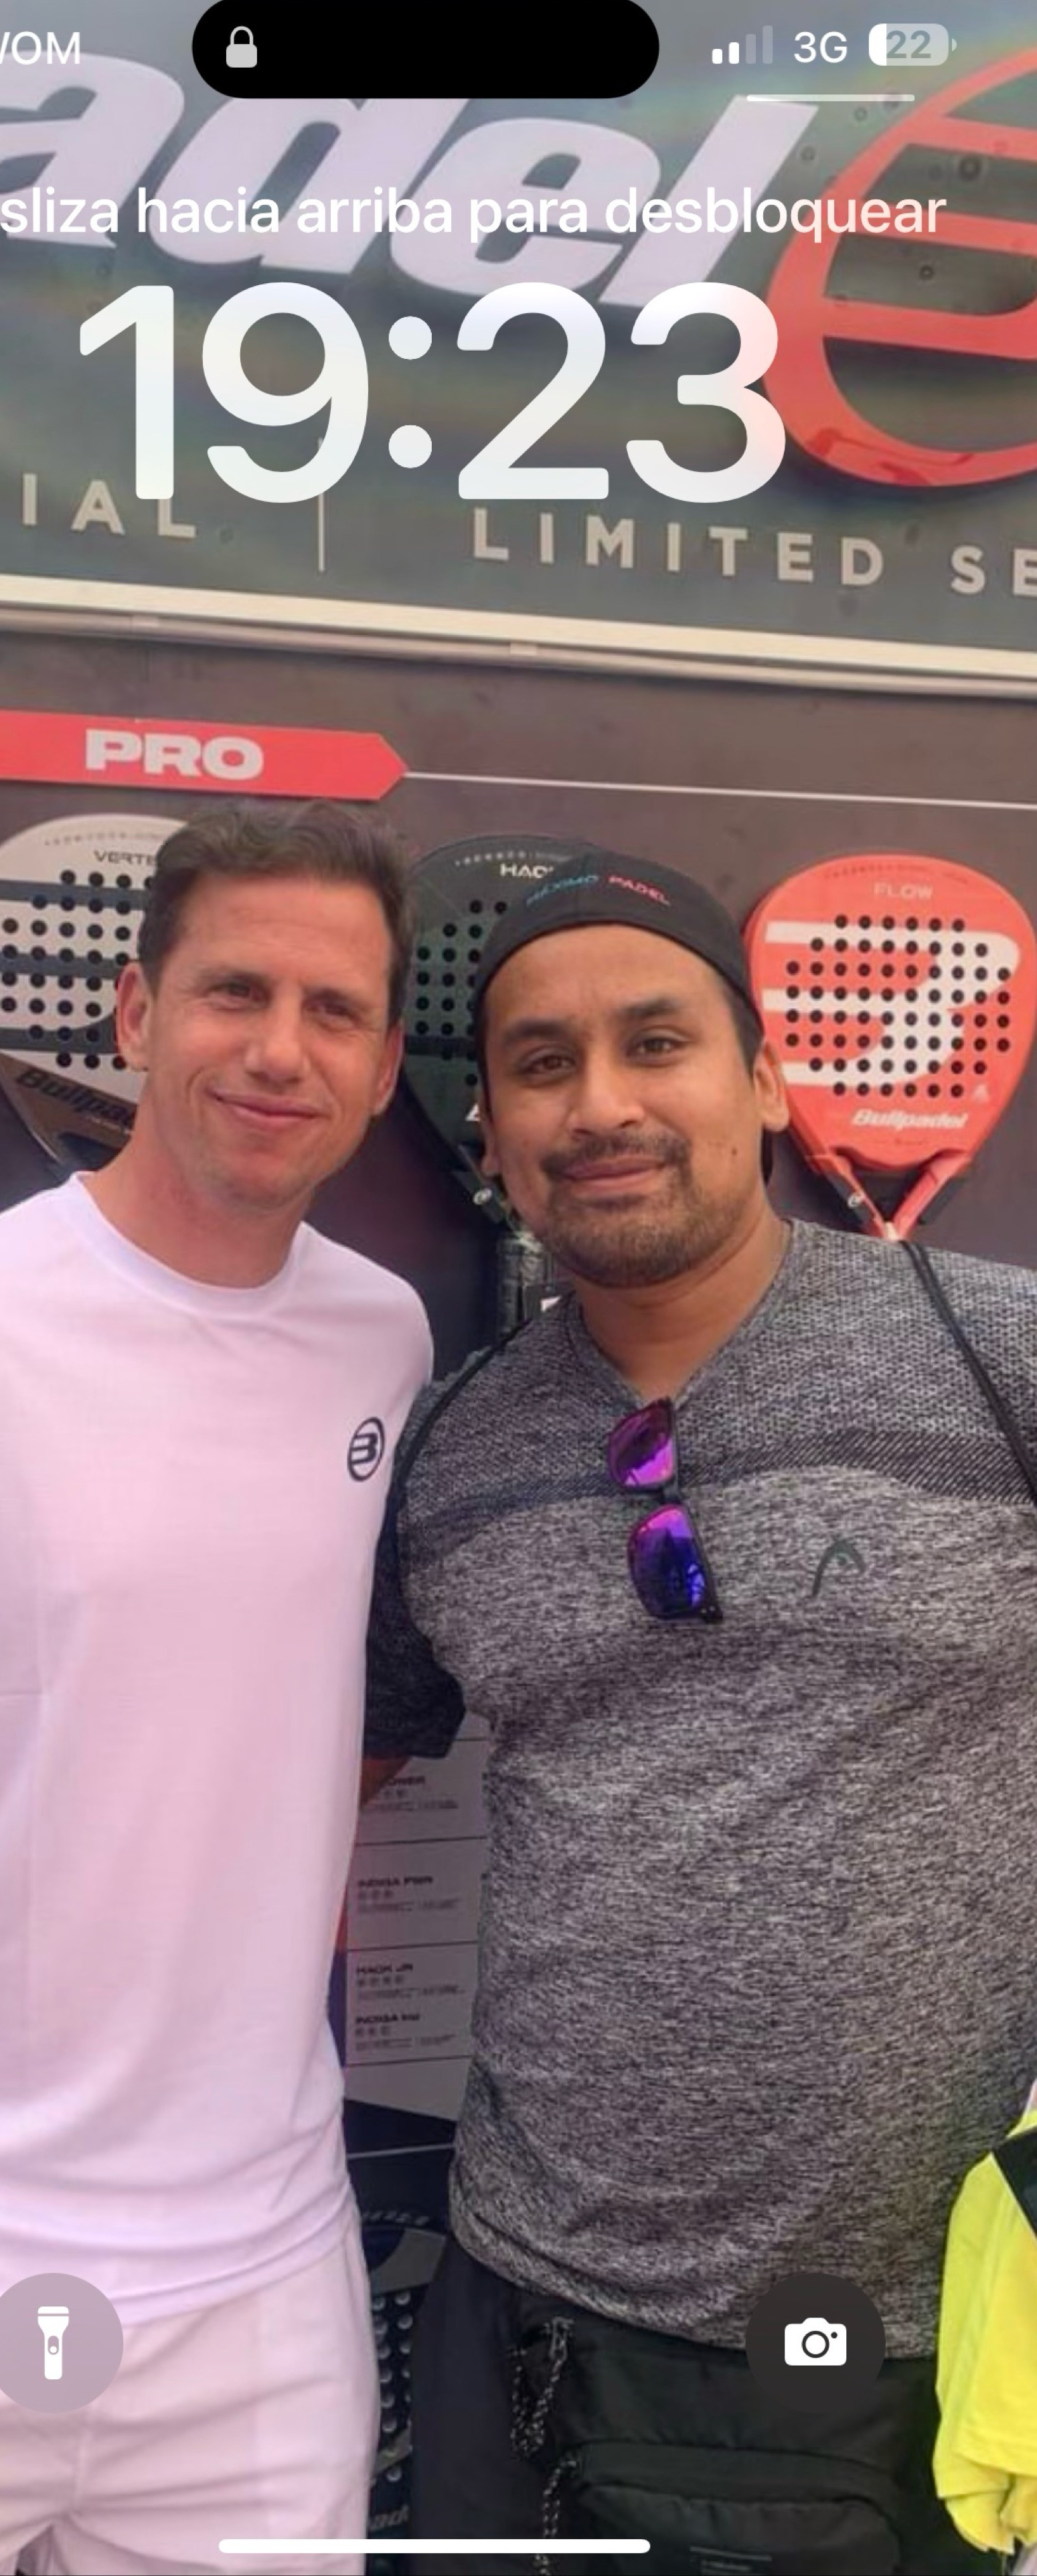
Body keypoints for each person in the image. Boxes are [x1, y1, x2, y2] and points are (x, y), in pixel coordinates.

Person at [363, 843, 1036, 2573]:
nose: (602, 1103)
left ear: (764, 1080)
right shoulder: (453, 1452)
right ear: (493, 1132)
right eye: (543, 1063)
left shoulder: (1002, 1360)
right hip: (530, 2324)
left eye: (656, 1042)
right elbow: (326, 1785)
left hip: (923, 2351)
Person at [0, 800, 432, 2576]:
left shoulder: (385, 1339)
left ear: (383, 1065)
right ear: (136, 1011)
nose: (281, 1049)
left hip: (259, 2295)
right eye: (235, 991)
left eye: (334, 1011)